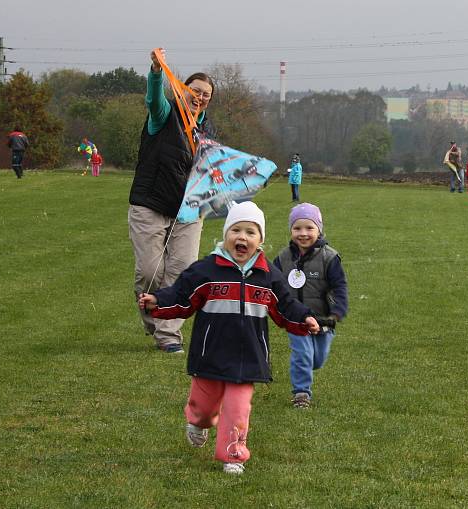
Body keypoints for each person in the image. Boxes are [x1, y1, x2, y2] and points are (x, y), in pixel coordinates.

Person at [138, 201, 320, 475]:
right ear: (226, 234)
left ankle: (233, 453)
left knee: (238, 409)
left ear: (260, 240)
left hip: (249, 357)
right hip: (209, 355)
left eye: (250, 232)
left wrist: (304, 318)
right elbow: (181, 297)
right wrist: (157, 302)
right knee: (203, 406)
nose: (242, 237)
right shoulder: (206, 270)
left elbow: (285, 306)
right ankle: (198, 422)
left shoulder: (268, 275)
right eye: (236, 230)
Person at [128, 48, 217, 353]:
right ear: (184, 90)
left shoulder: (207, 129)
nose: (200, 97)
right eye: (195, 90)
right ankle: (152, 315)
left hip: (190, 211)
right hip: (150, 204)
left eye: (206, 94)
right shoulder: (165, 116)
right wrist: (156, 72)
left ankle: (168, 336)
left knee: (181, 272)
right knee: (150, 272)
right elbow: (154, 101)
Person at [273, 203, 349, 409]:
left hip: (324, 319)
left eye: (309, 228)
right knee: (302, 354)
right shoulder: (282, 258)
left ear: (319, 230)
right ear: (291, 230)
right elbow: (272, 282)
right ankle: (301, 393)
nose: (303, 233)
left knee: (317, 360)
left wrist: (337, 312)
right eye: (297, 228)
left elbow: (340, 286)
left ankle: (304, 372)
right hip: (296, 319)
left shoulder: (329, 257)